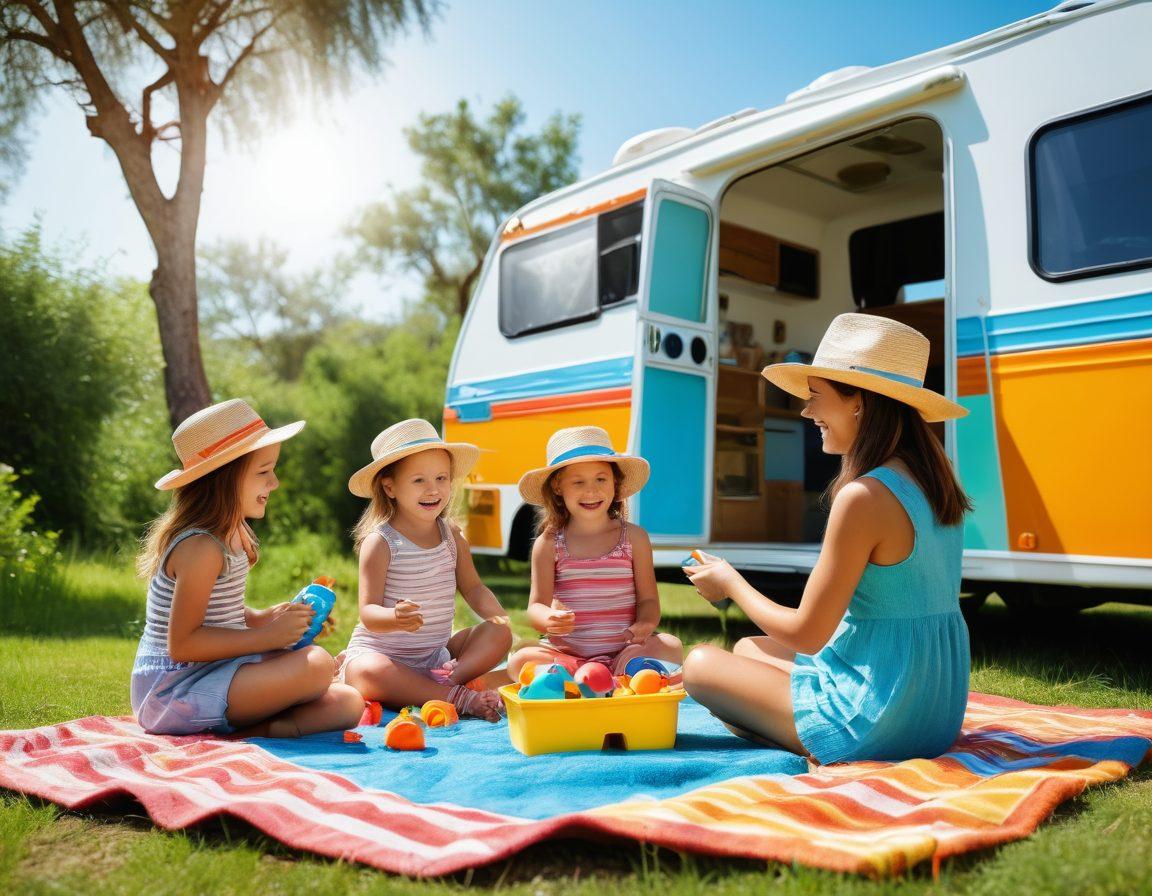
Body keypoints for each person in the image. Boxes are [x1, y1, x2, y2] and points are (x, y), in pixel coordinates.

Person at [683, 313, 973, 764]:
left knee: (699, 666)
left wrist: (730, 583)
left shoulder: (864, 496)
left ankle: (807, 737)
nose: (806, 412)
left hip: (879, 719)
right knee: (746, 649)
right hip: (935, 713)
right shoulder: (934, 480)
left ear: (859, 401)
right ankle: (776, 721)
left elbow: (808, 635)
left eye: (815, 397)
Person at [132, 399, 364, 738]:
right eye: (263, 472)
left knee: (348, 701)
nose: (275, 483)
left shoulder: (233, 535)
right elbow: (183, 643)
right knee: (316, 666)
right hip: (173, 691)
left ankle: (266, 728)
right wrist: (265, 637)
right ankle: (253, 727)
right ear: (224, 480)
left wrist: (268, 617)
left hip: (216, 671)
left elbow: (219, 614)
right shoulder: (201, 547)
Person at [339, 419, 512, 722]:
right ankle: (457, 696)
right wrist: (394, 617)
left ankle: (446, 680)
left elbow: (473, 588)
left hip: (435, 656)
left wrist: (496, 615)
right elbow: (368, 613)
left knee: (499, 634)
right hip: (384, 657)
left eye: (441, 478)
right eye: (419, 480)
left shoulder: (452, 536)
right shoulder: (380, 543)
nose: (433, 489)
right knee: (368, 671)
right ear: (390, 487)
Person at [507, 426, 683, 681]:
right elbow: (536, 606)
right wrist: (549, 619)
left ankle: (600, 677)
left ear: (615, 482)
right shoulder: (548, 544)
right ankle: (603, 678)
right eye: (578, 482)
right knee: (521, 660)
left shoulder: (634, 538)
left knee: (671, 645)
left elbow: (648, 600)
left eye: (601, 479)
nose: (592, 491)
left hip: (624, 650)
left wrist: (645, 624)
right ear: (558, 487)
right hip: (569, 655)